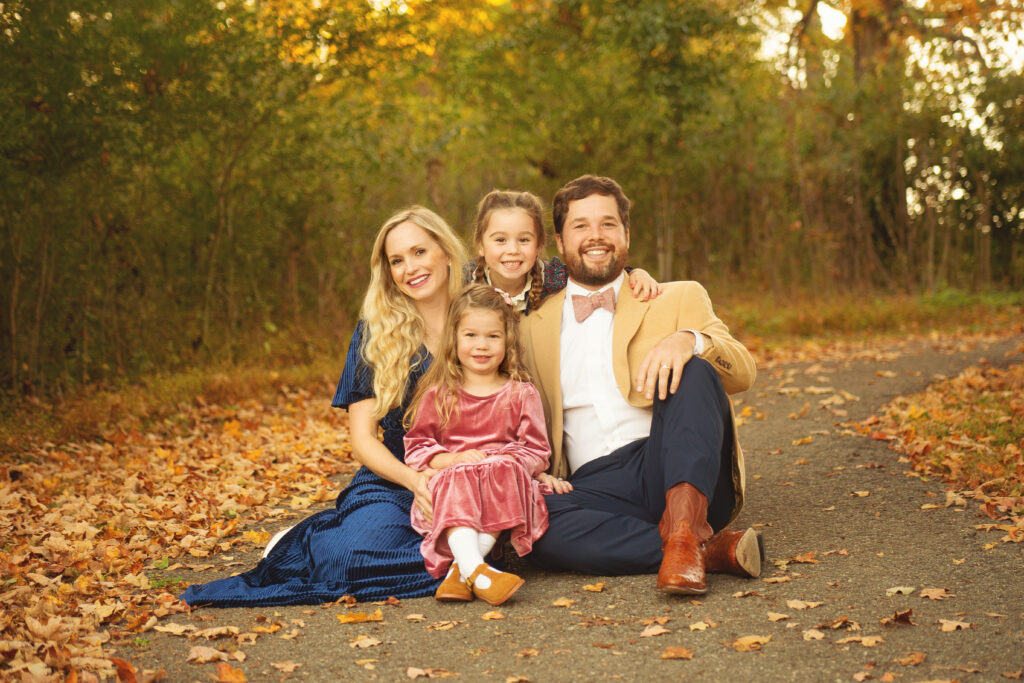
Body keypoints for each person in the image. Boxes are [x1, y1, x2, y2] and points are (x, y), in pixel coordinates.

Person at [180, 206, 466, 606]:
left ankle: (466, 561)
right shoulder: (376, 332)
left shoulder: (481, 316)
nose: (409, 268)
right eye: (396, 260)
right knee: (348, 561)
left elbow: (536, 270)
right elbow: (363, 439)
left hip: (472, 474)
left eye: (419, 252)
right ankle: (313, 541)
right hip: (396, 479)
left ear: (446, 252)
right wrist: (414, 481)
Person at [519, 175, 761, 595]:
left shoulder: (676, 296)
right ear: (560, 242)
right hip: (593, 483)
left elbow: (742, 371)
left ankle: (686, 530)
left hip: (674, 459)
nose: (596, 236)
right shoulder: (528, 326)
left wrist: (689, 340)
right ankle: (711, 550)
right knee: (526, 520)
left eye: (608, 224)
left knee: (696, 369)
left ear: (627, 235)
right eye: (581, 226)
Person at [403, 284, 567, 606]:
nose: (482, 346)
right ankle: (479, 571)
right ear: (454, 338)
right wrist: (452, 459)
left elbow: (535, 450)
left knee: (503, 470)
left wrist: (498, 462)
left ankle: (460, 573)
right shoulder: (440, 392)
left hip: (501, 483)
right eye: (471, 335)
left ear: (508, 341)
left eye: (493, 336)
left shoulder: (521, 393)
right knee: (460, 475)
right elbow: (417, 446)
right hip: (453, 488)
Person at [463, 190, 661, 313]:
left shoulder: (554, 277)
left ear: (539, 244)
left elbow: (597, 275)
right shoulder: (463, 280)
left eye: (524, 240)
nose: (513, 250)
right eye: (500, 240)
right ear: (480, 244)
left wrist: (635, 273)